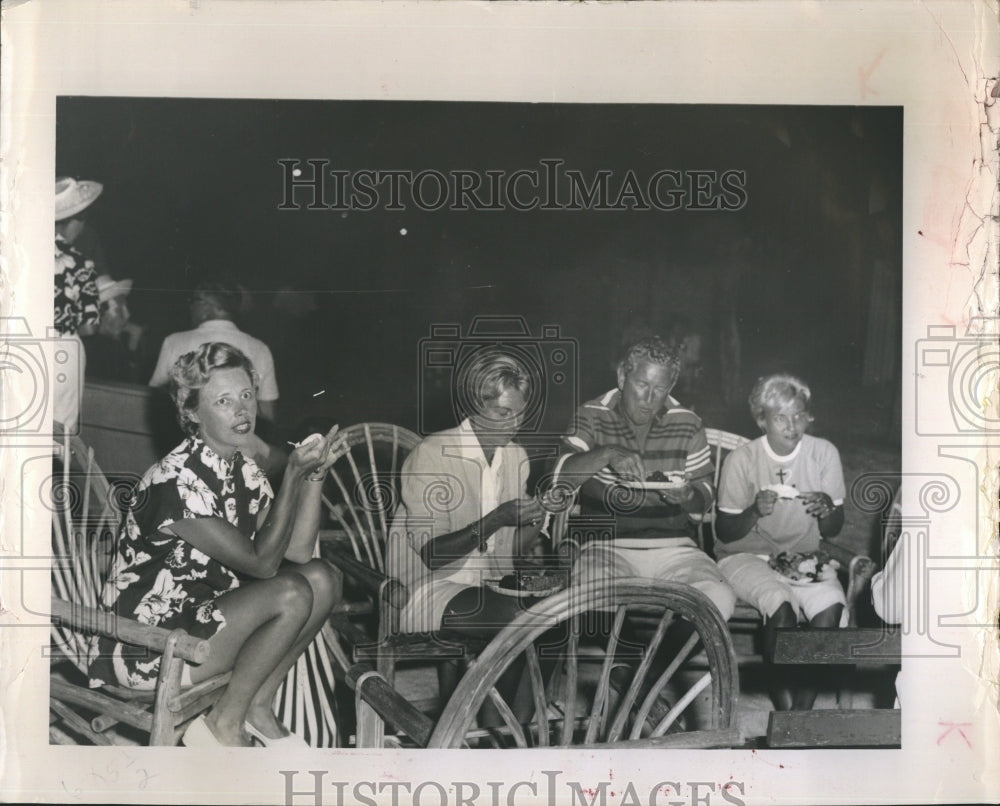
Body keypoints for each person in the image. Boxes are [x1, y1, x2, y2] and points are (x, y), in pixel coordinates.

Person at [88, 342, 343, 747]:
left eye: (246, 395)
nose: (242, 410)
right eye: (224, 400)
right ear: (192, 412)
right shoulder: (174, 481)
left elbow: (297, 553)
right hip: (148, 644)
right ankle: (224, 723)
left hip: (205, 619)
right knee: (292, 592)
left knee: (324, 579)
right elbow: (262, 565)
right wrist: (291, 476)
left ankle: (257, 705)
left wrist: (313, 478)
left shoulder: (241, 468)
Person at [554, 335, 737, 621]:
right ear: (622, 376)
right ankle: (627, 664)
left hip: (676, 548)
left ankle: (658, 664)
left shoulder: (687, 422)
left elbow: (705, 494)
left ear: (671, 387)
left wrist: (688, 496)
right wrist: (607, 453)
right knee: (592, 595)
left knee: (718, 597)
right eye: (642, 385)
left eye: (660, 389)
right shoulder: (592, 414)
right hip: (605, 546)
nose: (649, 399)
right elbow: (558, 478)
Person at [387, 349, 546, 637]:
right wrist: (497, 518)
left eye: (521, 413)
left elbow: (512, 551)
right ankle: (488, 684)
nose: (515, 424)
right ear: (473, 406)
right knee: (517, 619)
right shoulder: (432, 453)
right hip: (427, 586)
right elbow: (433, 555)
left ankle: (494, 685)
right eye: (503, 413)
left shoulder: (515, 457)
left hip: (493, 583)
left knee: (560, 612)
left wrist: (540, 517)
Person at [715, 373, 847, 711]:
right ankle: (783, 709)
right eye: (780, 417)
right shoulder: (742, 459)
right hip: (746, 555)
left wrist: (827, 509)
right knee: (781, 606)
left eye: (799, 415)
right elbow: (726, 532)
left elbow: (833, 529)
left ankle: (799, 716)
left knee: (831, 607)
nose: (792, 426)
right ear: (762, 419)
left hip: (803, 557)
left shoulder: (823, 453)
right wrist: (753, 511)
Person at [149, 281, 280, 425]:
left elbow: (156, 397)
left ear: (207, 305)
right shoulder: (260, 348)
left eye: (193, 301)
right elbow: (267, 414)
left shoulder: (175, 341)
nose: (191, 306)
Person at [54, 177, 103, 430]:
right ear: (74, 221)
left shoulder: (21, 253)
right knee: (60, 435)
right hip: (63, 350)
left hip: (22, 344)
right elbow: (89, 326)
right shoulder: (79, 262)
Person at [82, 274, 139, 382]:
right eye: (120, 310)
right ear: (105, 314)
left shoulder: (84, 344)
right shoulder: (113, 349)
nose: (127, 315)